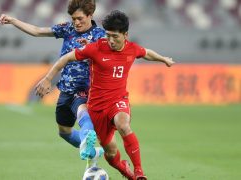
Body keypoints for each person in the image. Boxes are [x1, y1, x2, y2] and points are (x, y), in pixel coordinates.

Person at [35, 10, 175, 180]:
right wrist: (49, 78)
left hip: (118, 101)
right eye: (108, 35)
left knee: (123, 125)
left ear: (125, 35)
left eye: (115, 36)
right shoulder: (96, 48)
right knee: (111, 154)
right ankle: (127, 171)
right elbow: (65, 59)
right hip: (97, 108)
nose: (110, 40)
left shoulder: (132, 49)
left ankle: (139, 171)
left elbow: (147, 53)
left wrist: (163, 59)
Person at [0, 0, 106, 167]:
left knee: (82, 112)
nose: (76, 22)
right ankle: (91, 150)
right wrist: (13, 21)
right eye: (73, 19)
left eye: (80, 18)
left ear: (90, 16)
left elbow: (112, 55)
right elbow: (37, 31)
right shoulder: (67, 29)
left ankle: (88, 136)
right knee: (64, 132)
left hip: (86, 88)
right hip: (65, 90)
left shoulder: (100, 36)